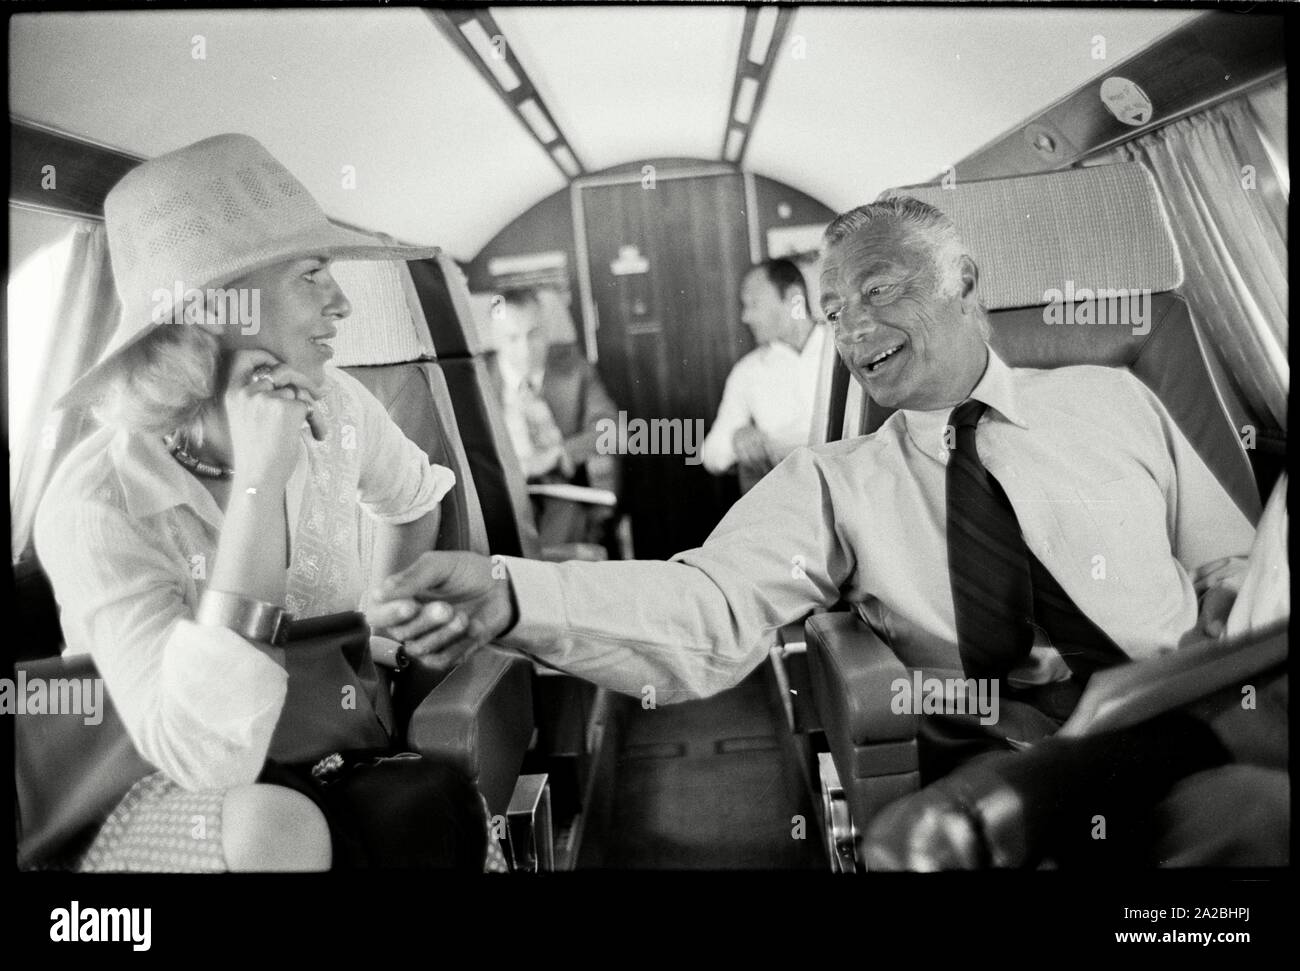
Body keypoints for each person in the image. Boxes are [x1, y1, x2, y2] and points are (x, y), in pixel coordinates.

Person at [366, 196, 1285, 866]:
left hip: (1192, 716)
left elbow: (1232, 561)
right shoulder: (832, 483)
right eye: (835, 311)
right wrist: (513, 588)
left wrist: (1218, 630)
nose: (854, 331)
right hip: (1007, 763)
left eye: (880, 292)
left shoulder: (1113, 399)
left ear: (965, 282)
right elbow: (709, 604)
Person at [34, 133, 498, 872]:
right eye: (313, 276)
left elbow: (414, 501)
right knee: (276, 829)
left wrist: (385, 644)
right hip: (148, 778)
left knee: (432, 802)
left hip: (308, 737)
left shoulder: (336, 404)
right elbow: (204, 755)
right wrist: (257, 481)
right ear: (215, 308)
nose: (341, 303)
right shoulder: (93, 500)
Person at [490, 290, 618, 552]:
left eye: (533, 334)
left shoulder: (574, 369)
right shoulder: (476, 381)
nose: (525, 349)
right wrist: (520, 469)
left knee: (562, 533)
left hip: (560, 489)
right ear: (495, 338)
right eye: (512, 338)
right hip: (503, 492)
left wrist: (560, 454)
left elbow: (612, 430)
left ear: (546, 331)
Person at [699, 258, 827, 490]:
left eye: (754, 304)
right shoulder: (748, 371)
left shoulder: (843, 348)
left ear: (793, 296)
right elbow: (712, 456)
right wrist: (737, 436)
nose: (745, 317)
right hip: (790, 499)